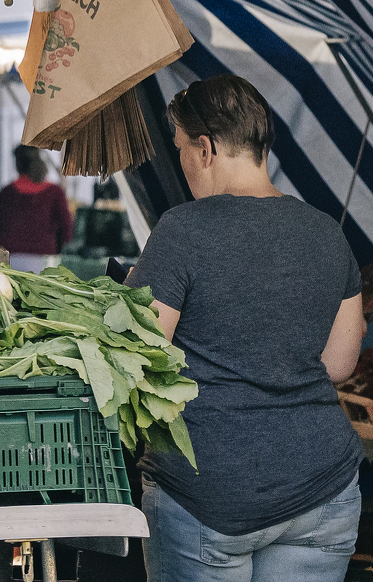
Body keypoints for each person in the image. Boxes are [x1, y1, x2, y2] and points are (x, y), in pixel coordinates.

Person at [129, 75, 364, 581]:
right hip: (322, 489)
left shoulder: (182, 230)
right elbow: (340, 363)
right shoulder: (327, 232)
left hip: (210, 494)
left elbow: (140, 356)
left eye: (181, 148)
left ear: (206, 147)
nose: (182, 162)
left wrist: (135, 293)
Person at [0, 147, 75, 272]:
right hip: (44, 259)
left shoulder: (6, 193)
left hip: (10, 258)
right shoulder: (54, 192)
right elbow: (67, 230)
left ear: (17, 164)